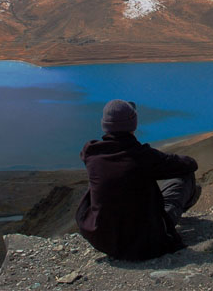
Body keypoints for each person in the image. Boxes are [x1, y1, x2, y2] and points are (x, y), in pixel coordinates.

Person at [75, 99, 201, 261]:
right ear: (133, 124)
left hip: (102, 239)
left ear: (105, 125)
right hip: (143, 244)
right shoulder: (143, 157)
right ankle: (175, 214)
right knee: (185, 176)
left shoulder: (91, 152)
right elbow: (189, 164)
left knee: (102, 180)